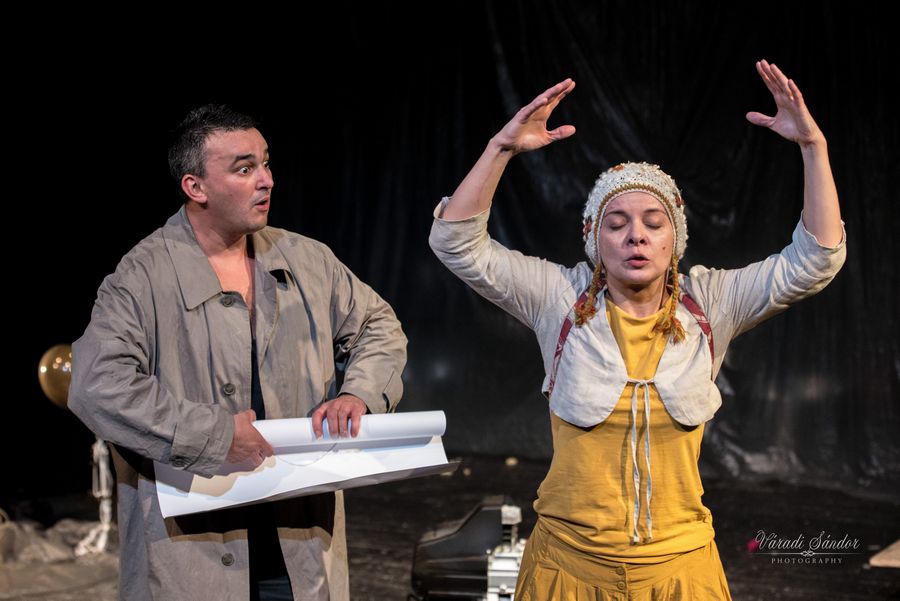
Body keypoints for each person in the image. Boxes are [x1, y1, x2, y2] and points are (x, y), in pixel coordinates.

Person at [429, 60, 845, 599]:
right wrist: (500, 149)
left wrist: (813, 147)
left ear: (675, 238)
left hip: (680, 572)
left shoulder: (710, 304)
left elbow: (814, 260)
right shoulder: (559, 298)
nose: (636, 236)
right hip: (568, 569)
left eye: (654, 222)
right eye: (617, 223)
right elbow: (456, 243)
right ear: (593, 238)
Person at [68, 104, 407, 601]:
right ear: (195, 187)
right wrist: (213, 436)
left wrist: (359, 393)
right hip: (193, 554)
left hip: (299, 546)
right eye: (244, 169)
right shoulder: (142, 276)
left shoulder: (308, 260)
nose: (266, 180)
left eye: (266, 163)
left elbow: (379, 326)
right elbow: (97, 384)